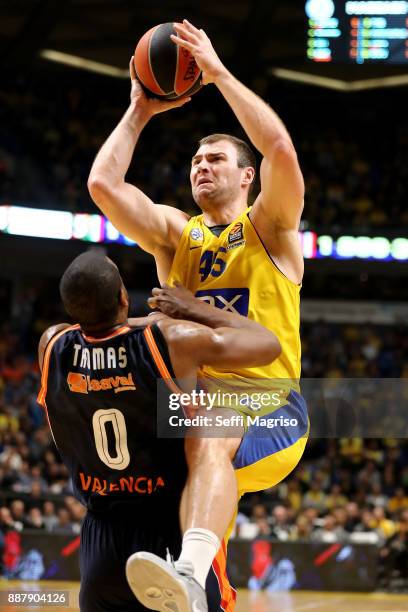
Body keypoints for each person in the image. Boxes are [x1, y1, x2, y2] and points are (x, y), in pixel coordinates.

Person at [88, 19, 307, 610]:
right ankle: (199, 583)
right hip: (188, 404)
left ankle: (186, 571)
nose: (201, 165)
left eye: (215, 158)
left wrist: (218, 74)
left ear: (246, 175)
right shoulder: (174, 237)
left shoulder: (272, 229)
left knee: (210, 433)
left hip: (270, 402)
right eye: (194, 159)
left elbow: (280, 148)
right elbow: (103, 186)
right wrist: (139, 111)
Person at [37, 251, 280, 612]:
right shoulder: (170, 339)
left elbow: (95, 326)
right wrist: (193, 308)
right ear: (123, 297)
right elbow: (268, 345)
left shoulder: (52, 344)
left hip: (101, 539)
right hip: (167, 527)